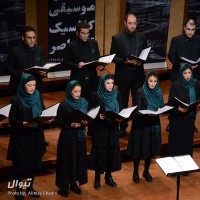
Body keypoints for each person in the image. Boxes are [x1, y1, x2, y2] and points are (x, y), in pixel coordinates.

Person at [7, 73, 46, 200]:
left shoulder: (38, 95)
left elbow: (43, 112)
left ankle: (30, 188)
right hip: (21, 137)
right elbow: (12, 120)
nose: (32, 88)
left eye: (34, 85)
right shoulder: (16, 99)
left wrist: (47, 119)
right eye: (29, 85)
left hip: (35, 135)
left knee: (33, 164)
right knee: (20, 166)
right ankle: (18, 190)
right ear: (23, 85)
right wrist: (22, 124)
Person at [110, 12, 148, 137]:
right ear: (125, 23)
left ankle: (137, 127)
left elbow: (145, 53)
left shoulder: (142, 36)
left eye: (134, 23)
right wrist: (125, 61)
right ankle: (123, 126)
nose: (132, 26)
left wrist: (140, 60)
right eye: (130, 23)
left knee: (138, 102)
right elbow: (113, 57)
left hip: (138, 75)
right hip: (123, 76)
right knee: (124, 102)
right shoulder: (117, 38)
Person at [127, 71, 164, 183]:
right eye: (150, 81)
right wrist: (146, 113)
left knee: (150, 148)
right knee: (139, 148)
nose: (152, 83)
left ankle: (146, 171)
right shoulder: (140, 91)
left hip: (153, 122)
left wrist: (159, 111)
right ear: (146, 80)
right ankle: (135, 172)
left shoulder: (159, 92)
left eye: (154, 81)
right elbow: (136, 110)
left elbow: (161, 106)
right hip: (141, 123)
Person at [55, 80, 89, 197]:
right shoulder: (64, 104)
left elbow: (87, 117)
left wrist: (85, 122)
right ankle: (63, 186)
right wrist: (70, 125)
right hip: (68, 137)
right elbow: (57, 121)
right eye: (75, 91)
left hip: (80, 137)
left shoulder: (84, 102)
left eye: (79, 91)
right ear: (70, 91)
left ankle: (74, 183)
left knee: (77, 160)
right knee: (66, 161)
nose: (78, 94)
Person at [88, 74, 122, 190]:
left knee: (111, 154)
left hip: (113, 128)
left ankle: (108, 176)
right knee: (100, 155)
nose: (110, 86)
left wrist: (120, 118)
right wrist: (99, 117)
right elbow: (90, 114)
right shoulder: (95, 95)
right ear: (103, 84)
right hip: (100, 129)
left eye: (112, 83)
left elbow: (121, 110)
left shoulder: (117, 94)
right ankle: (97, 178)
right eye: (108, 83)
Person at [167, 18, 200, 132]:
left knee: (193, 99)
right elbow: (171, 55)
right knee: (175, 100)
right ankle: (172, 122)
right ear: (184, 28)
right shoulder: (176, 40)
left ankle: (192, 123)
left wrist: (197, 65)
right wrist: (180, 65)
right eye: (188, 29)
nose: (190, 32)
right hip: (178, 74)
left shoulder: (199, 39)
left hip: (194, 74)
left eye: (193, 30)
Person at [63, 21, 101, 105]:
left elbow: (97, 59)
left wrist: (100, 65)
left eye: (87, 33)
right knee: (77, 105)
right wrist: (77, 65)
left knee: (93, 105)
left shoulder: (93, 43)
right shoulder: (71, 46)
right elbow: (65, 63)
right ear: (77, 33)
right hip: (78, 80)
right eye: (83, 33)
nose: (85, 36)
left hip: (92, 80)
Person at [168, 64, 200, 159]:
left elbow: (198, 97)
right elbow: (170, 105)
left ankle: (185, 169)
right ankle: (174, 169)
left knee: (187, 144)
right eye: (185, 73)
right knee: (176, 144)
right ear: (181, 73)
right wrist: (178, 109)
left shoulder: (195, 83)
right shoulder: (175, 85)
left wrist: (198, 105)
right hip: (177, 120)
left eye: (189, 72)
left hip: (190, 119)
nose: (187, 75)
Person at [5, 25, 46, 96]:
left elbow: (43, 67)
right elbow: (7, 68)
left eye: (34, 37)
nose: (32, 40)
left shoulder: (40, 50)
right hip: (19, 87)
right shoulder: (15, 51)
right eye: (29, 38)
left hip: (36, 88)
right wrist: (20, 73)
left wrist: (44, 73)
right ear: (23, 38)